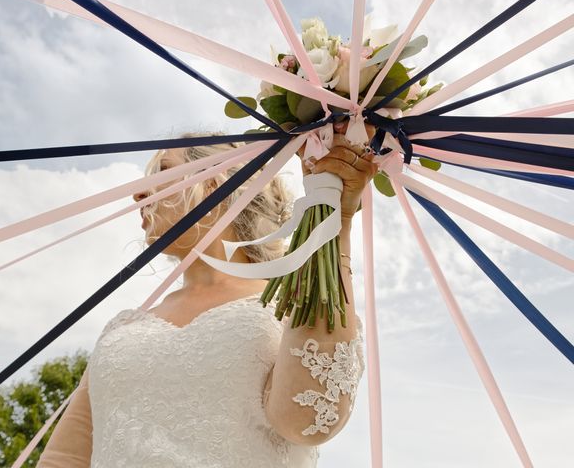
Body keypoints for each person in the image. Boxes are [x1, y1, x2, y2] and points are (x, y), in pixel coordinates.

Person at [36, 120, 377, 467]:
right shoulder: (120, 331)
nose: (138, 193)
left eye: (161, 171)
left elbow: (308, 418)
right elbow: (63, 459)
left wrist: (337, 216)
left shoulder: (286, 302)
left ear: (213, 180)